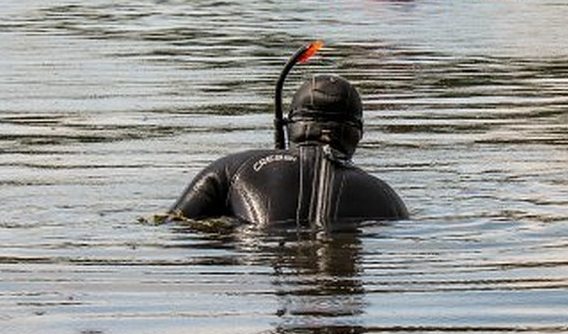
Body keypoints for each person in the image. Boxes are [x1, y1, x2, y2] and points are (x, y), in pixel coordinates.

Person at [167, 74, 408, 226]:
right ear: (357, 133)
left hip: (257, 265)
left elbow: (173, 224)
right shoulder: (386, 198)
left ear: (289, 125)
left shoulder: (232, 169)